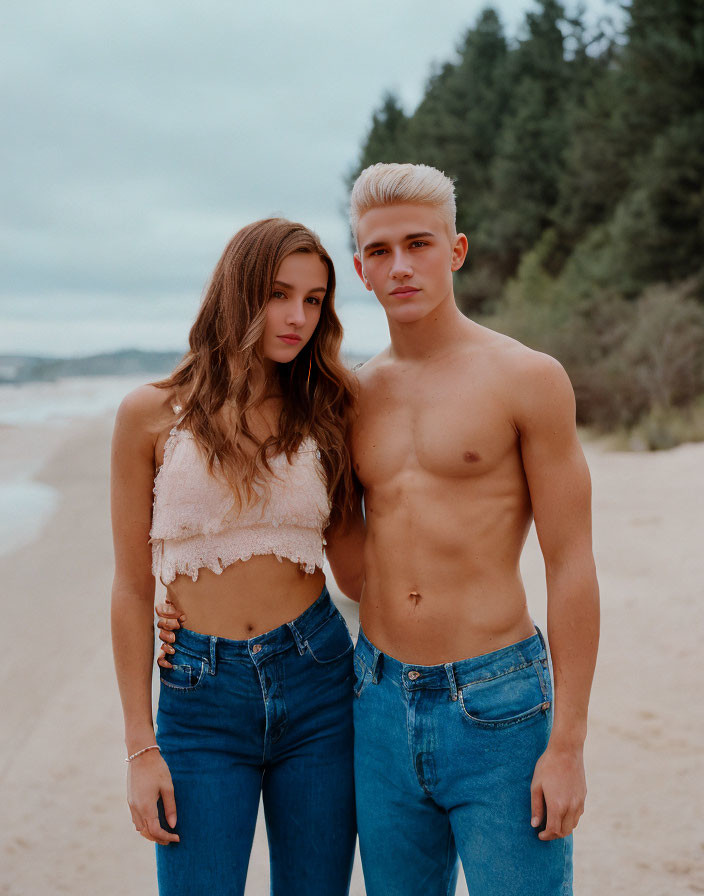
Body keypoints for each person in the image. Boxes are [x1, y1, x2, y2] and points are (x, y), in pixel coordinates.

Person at [157, 163, 599, 896]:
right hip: (377, 698)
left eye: (419, 244)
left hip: (499, 701)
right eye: (381, 252)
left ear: (455, 251)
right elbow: (283, 516)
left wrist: (570, 743)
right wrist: (174, 594)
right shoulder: (346, 398)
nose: (401, 266)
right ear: (359, 269)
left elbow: (573, 563)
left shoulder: (528, 379)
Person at [110, 218, 365, 896]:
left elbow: (360, 571)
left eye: (314, 300)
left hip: (319, 681)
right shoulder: (149, 416)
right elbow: (132, 590)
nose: (298, 317)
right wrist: (141, 747)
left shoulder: (327, 411)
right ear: (237, 292)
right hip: (198, 696)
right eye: (280, 294)